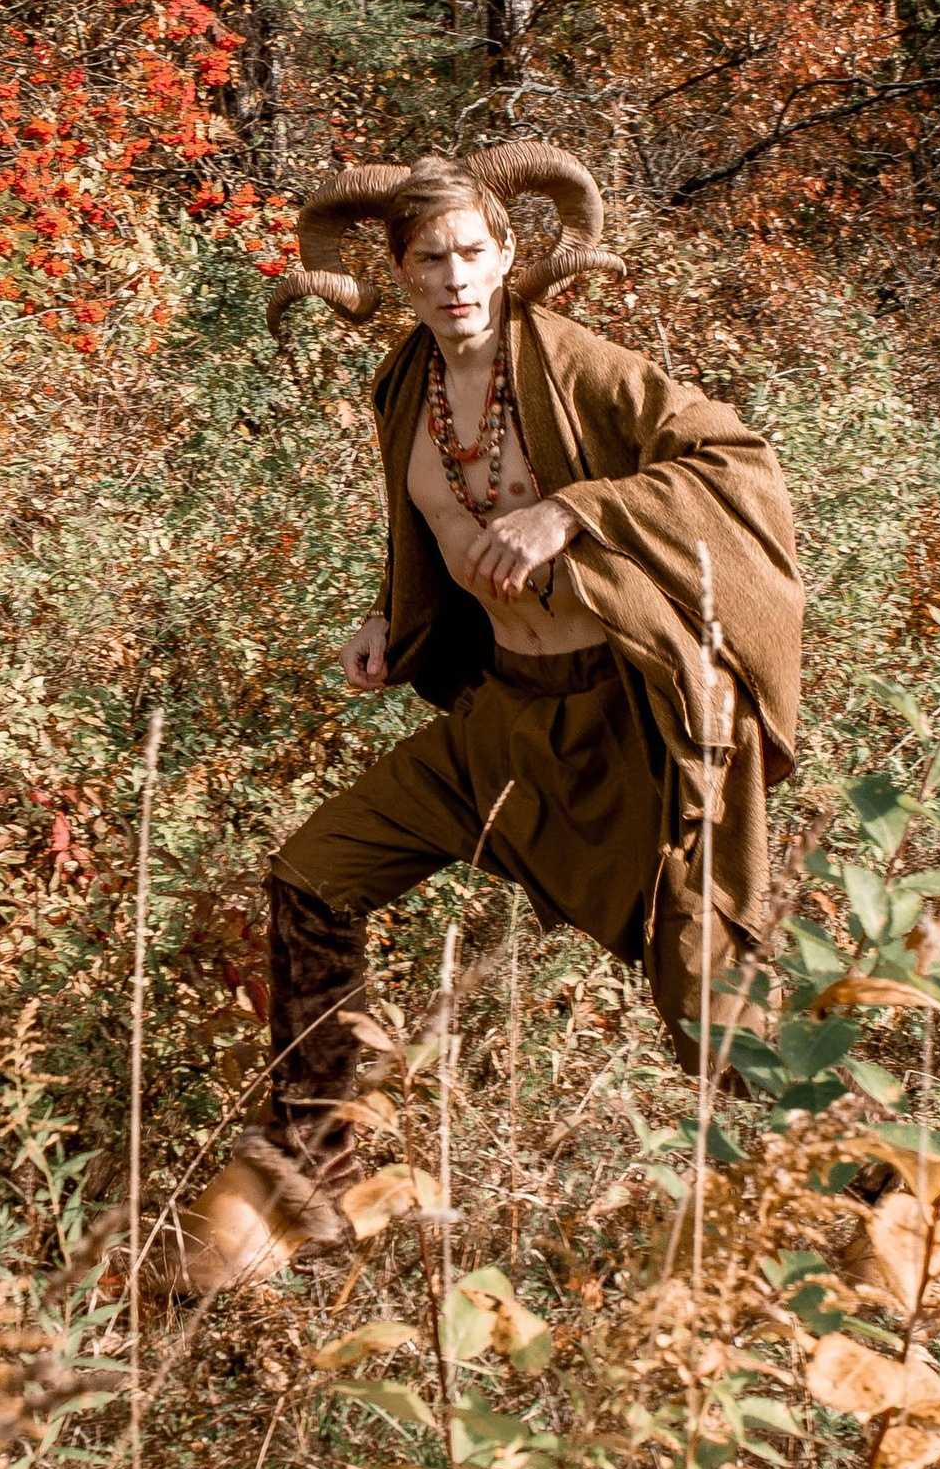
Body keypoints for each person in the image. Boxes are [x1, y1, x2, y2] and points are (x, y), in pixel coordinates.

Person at [176, 143, 802, 1290]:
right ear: (397, 272)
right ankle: (313, 1182)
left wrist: (572, 511)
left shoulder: (583, 368)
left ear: (509, 253)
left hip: (629, 726)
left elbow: (737, 463)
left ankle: (843, 1213)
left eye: (472, 253)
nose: (454, 279)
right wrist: (390, 621)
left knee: (710, 999)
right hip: (499, 724)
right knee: (313, 877)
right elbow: (436, 535)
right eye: (429, 261)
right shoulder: (403, 390)